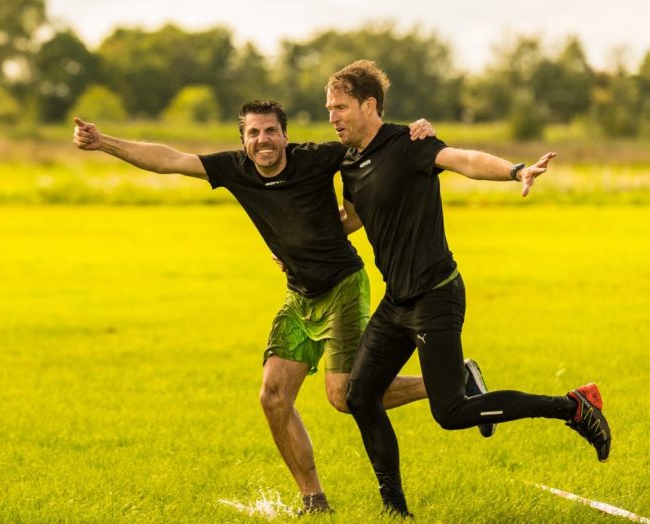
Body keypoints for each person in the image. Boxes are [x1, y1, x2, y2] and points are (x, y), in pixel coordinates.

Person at [73, 103, 483, 515]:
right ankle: (314, 500)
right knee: (273, 396)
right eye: (253, 133)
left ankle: (448, 381)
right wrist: (103, 142)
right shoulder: (237, 170)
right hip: (299, 295)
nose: (262, 140)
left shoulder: (318, 158)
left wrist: (417, 128)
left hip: (342, 286)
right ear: (243, 141)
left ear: (285, 135)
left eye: (270, 131)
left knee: (343, 396)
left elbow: (375, 142)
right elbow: (169, 160)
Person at [326, 60, 611, 517]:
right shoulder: (349, 163)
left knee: (451, 413)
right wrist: (302, 244)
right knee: (359, 397)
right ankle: (393, 508)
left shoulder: (409, 143)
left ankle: (573, 406)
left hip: (436, 294)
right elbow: (354, 219)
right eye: (329, 109)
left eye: (340, 107)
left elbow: (464, 160)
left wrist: (515, 170)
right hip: (397, 300)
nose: (333, 117)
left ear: (369, 105)